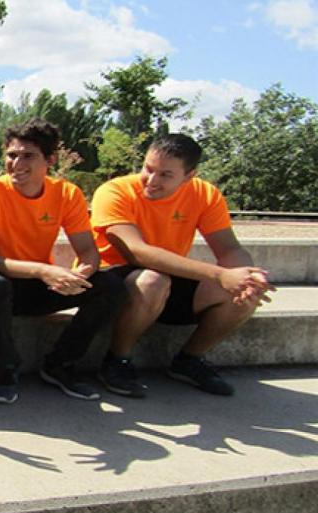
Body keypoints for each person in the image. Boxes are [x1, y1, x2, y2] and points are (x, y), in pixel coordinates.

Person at [91, 133, 273, 398]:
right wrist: (220, 274)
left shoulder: (204, 194)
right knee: (153, 281)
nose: (151, 181)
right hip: (115, 281)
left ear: (189, 176)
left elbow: (230, 249)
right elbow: (137, 252)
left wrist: (249, 278)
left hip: (169, 276)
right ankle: (116, 361)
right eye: (148, 169)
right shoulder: (115, 191)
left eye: (165, 175)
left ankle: (188, 361)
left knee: (243, 293)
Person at [0, 119, 125, 404]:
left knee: (110, 284)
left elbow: (88, 251)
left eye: (28, 156)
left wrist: (78, 275)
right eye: (11, 155)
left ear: (50, 159)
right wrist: (45, 270)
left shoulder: (66, 194)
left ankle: (60, 364)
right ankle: (6, 367)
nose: (16, 163)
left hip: (36, 285)